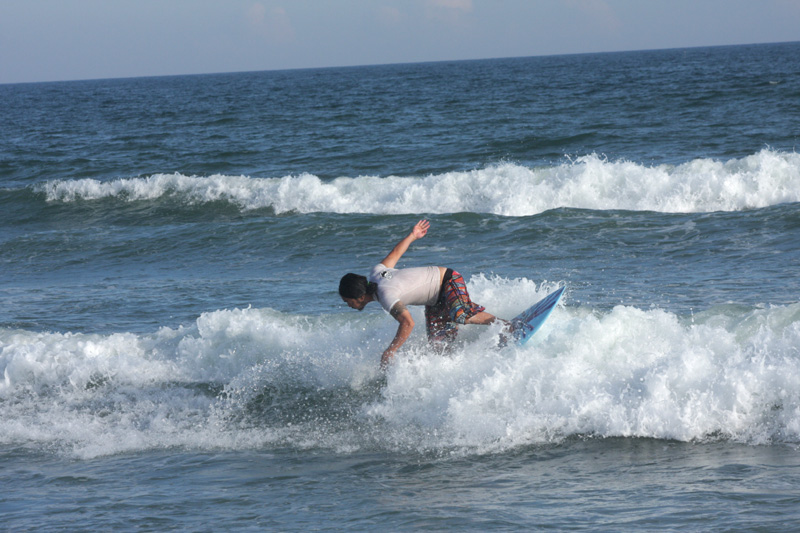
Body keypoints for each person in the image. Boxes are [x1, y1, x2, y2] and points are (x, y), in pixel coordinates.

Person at [339, 220, 506, 369]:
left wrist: (391, 350)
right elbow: (396, 253)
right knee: (438, 346)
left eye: (348, 301)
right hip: (435, 300)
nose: (348, 305)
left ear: (360, 297)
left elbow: (408, 323)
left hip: (448, 280)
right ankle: (459, 368)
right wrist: (412, 236)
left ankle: (507, 326)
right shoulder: (377, 273)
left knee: (459, 314)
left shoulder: (385, 295)